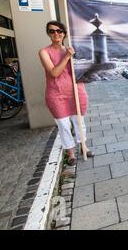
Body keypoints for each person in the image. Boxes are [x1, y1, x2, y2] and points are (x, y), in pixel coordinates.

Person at [39, 21, 93, 166]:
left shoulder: (73, 50)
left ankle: (83, 146)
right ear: (48, 33)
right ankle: (70, 152)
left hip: (76, 91)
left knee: (79, 122)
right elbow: (54, 73)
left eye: (59, 31)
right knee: (63, 124)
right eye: (52, 31)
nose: (56, 34)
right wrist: (67, 57)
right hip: (56, 94)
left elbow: (85, 68)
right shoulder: (44, 52)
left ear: (64, 33)